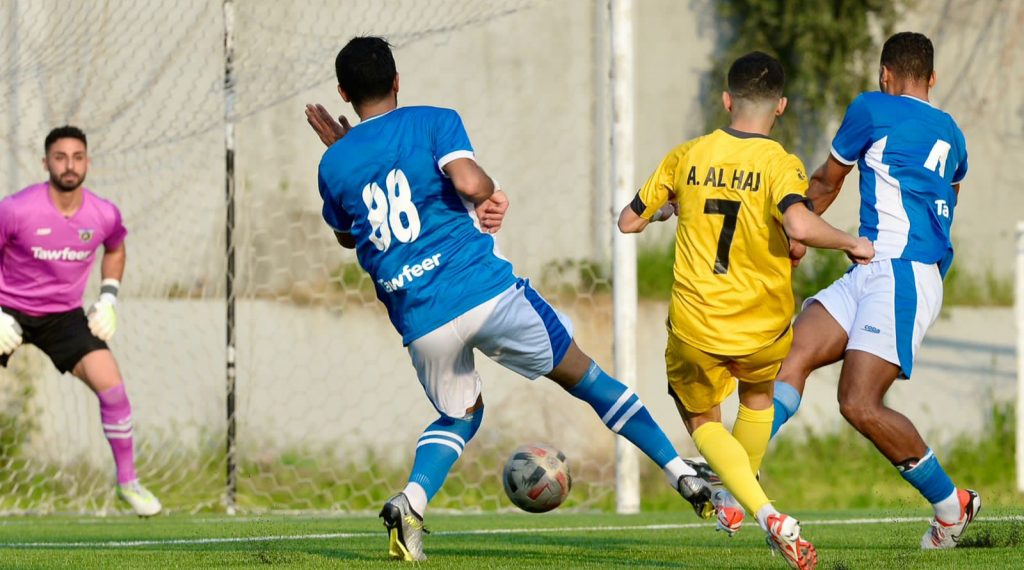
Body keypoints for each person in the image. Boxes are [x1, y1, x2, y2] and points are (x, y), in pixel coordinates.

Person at [305, 36, 715, 563]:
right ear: (397, 81)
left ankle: (411, 502)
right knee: (587, 378)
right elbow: (470, 181)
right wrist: (489, 192)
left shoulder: (333, 164)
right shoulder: (434, 120)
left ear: (343, 93)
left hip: (420, 318)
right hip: (484, 291)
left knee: (461, 417)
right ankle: (681, 473)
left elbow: (348, 236)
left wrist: (348, 154)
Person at [618, 52, 874, 570]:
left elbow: (628, 221)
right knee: (757, 399)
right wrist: (852, 242)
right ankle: (736, 498)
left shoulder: (686, 156)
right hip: (763, 329)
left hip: (697, 327)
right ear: (780, 106)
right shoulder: (781, 164)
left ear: (726, 100)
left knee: (699, 416)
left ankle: (764, 512)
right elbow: (798, 229)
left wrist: (667, 208)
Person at [765, 31, 980, 550]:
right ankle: (735, 479)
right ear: (932, 78)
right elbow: (946, 197)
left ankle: (952, 506)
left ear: (885, 75)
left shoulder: (872, 107)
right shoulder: (953, 135)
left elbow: (825, 182)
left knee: (858, 402)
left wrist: (792, 228)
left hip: (900, 272)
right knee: (792, 354)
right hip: (874, 265)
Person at [0, 126, 161, 516]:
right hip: (6, 309)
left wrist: (108, 298)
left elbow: (115, 248)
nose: (69, 165)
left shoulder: (103, 214)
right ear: (46, 163)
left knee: (112, 386)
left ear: (87, 162)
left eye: (77, 157)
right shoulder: (15, 209)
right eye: (60, 157)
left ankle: (128, 483)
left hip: (62, 315)